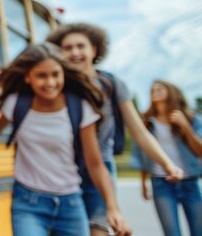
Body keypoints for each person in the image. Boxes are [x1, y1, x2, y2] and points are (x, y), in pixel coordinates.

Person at [0, 43, 130, 236]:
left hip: (70, 204)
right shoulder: (15, 103)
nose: (51, 82)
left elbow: (95, 163)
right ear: (28, 77)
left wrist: (113, 208)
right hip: (28, 204)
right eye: (42, 76)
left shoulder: (79, 107)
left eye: (56, 74)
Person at [46, 23, 183, 235]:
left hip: (100, 167)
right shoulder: (54, 85)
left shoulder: (111, 84)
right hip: (61, 171)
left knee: (98, 228)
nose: (74, 52)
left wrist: (167, 163)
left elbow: (138, 131)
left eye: (80, 46)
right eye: (68, 47)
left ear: (94, 49)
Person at [132, 80, 202, 236]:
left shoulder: (191, 119)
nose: (155, 91)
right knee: (172, 233)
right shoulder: (147, 123)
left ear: (172, 92)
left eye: (160, 88)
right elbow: (142, 154)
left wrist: (186, 127)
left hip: (189, 181)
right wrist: (143, 182)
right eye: (152, 89)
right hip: (161, 183)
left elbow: (200, 151)